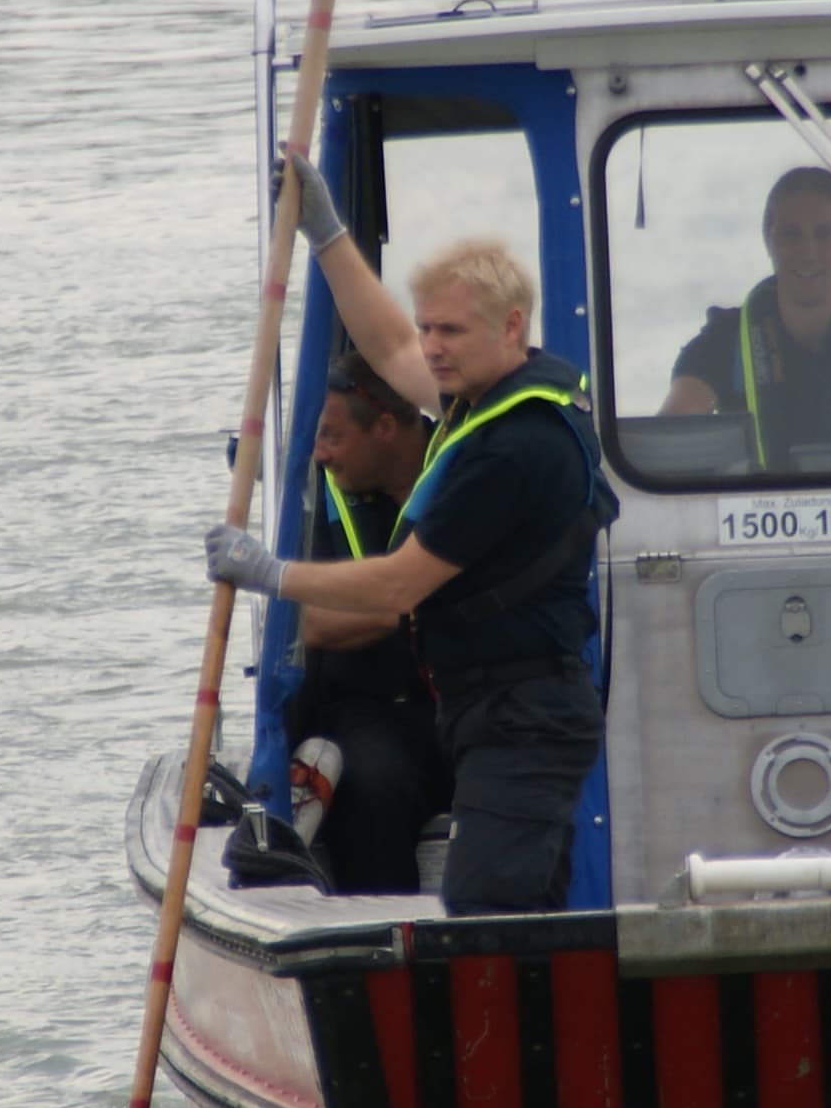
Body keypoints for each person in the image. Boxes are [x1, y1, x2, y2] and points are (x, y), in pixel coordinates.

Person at [208, 162, 614, 911]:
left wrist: (270, 573)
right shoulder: (487, 392)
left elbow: (399, 585)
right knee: (527, 914)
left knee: (487, 914)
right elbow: (387, 343)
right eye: (429, 326)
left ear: (512, 326)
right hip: (488, 706)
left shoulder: (514, 448)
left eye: (450, 330)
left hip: (524, 716)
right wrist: (326, 231)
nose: (430, 347)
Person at [259, 351, 448, 895]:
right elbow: (310, 624)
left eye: (332, 436)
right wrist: (418, 597)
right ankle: (384, 946)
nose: (318, 452)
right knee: (371, 789)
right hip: (368, 716)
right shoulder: (313, 496)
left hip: (471, 701)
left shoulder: (465, 471)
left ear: (385, 429)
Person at [660, 165, 831, 472]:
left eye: (825, 235)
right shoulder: (720, 342)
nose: (808, 251)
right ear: (768, 240)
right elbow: (669, 445)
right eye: (791, 235)